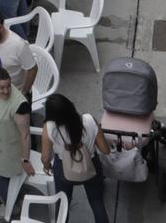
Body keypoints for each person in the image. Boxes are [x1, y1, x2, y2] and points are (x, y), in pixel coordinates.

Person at [40, 92, 112, 223]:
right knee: (97, 203)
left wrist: (47, 167)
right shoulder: (89, 120)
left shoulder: (49, 128)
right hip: (91, 167)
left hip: (63, 171)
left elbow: (45, 158)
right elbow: (106, 150)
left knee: (62, 205)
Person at [0, 62, 36, 217]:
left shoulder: (19, 104)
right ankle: (10, 195)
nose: (6, 91)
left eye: (8, 86)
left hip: (8, 148)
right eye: (1, 87)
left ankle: (12, 203)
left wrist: (25, 160)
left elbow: (25, 134)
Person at [0, 9, 38, 96]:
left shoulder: (19, 45)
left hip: (11, 92)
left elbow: (33, 69)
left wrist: (25, 92)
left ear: (0, 27)